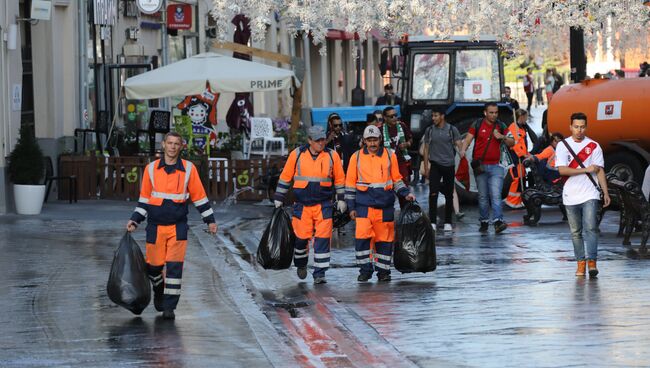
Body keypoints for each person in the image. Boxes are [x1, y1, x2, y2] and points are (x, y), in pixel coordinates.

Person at [126, 132, 217, 320]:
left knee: (175, 269)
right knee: (153, 267)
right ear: (163, 145)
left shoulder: (189, 169)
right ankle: (159, 289)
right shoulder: (151, 169)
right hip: (155, 227)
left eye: (177, 144)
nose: (173, 147)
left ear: (181, 146)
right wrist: (135, 220)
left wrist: (210, 220)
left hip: (178, 226)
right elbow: (144, 199)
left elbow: (199, 197)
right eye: (170, 143)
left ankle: (169, 307)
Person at [274, 126, 346, 284]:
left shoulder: (332, 155)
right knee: (300, 239)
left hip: (324, 205)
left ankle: (320, 273)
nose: (321, 143)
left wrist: (341, 199)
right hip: (302, 206)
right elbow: (286, 177)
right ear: (309, 141)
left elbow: (340, 179)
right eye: (318, 140)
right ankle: (301, 263)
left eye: (323, 140)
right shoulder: (297, 154)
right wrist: (279, 197)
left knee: (322, 239)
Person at [345, 125, 415, 282]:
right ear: (364, 141)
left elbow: (397, 179)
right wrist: (351, 207)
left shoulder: (390, 156)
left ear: (380, 140)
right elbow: (349, 184)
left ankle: (383, 272)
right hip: (363, 206)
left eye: (374, 140)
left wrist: (406, 193)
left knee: (384, 240)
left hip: (384, 206)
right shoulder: (355, 157)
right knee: (362, 240)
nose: (372, 143)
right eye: (369, 140)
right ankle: (365, 271)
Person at [556, 112, 611, 277]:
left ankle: (592, 263)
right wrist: (586, 169)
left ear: (586, 127)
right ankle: (580, 264)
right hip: (570, 195)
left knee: (591, 229)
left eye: (582, 127)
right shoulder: (562, 146)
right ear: (570, 127)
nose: (579, 130)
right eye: (576, 127)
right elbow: (562, 170)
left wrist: (605, 192)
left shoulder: (594, 145)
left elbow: (600, 170)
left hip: (590, 194)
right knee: (575, 232)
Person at [459, 102, 515, 233]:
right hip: (481, 166)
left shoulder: (501, 126)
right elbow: (468, 139)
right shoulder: (477, 124)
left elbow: (512, 142)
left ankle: (497, 221)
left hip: (497, 166)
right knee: (483, 196)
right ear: (485, 113)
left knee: (496, 195)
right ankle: (484, 221)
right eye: (491, 112)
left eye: (496, 112)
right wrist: (463, 150)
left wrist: (501, 136)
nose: (494, 115)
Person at [421, 106, 462, 232]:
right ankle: (432, 221)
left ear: (442, 116)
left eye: (436, 116)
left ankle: (448, 222)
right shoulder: (429, 130)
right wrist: (427, 167)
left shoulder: (451, 129)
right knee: (433, 194)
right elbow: (426, 149)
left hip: (449, 165)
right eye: (432, 116)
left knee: (449, 195)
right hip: (435, 165)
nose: (433, 118)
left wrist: (463, 148)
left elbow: (459, 145)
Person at [382, 106, 413, 207]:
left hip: (401, 162)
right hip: (386, 164)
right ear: (385, 118)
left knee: (403, 188)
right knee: (387, 190)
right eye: (391, 116)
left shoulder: (402, 126)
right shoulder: (380, 129)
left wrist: (406, 144)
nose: (394, 118)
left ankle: (405, 212)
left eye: (396, 115)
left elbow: (410, 140)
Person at [504, 109, 530, 209]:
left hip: (520, 157)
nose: (526, 119)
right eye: (526, 117)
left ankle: (518, 201)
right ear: (521, 117)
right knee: (516, 178)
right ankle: (512, 201)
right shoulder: (514, 128)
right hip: (515, 157)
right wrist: (523, 155)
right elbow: (515, 144)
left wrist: (526, 154)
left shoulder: (521, 128)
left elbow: (522, 144)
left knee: (521, 178)